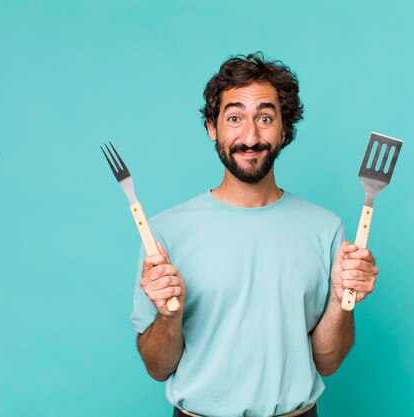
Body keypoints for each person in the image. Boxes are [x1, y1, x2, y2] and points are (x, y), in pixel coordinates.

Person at [130, 52, 379, 417]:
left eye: (265, 118)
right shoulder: (165, 232)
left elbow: (327, 362)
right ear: (212, 127)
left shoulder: (326, 229)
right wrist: (169, 315)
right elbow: (158, 367)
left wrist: (344, 301)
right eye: (234, 118)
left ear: (284, 130)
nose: (250, 136)